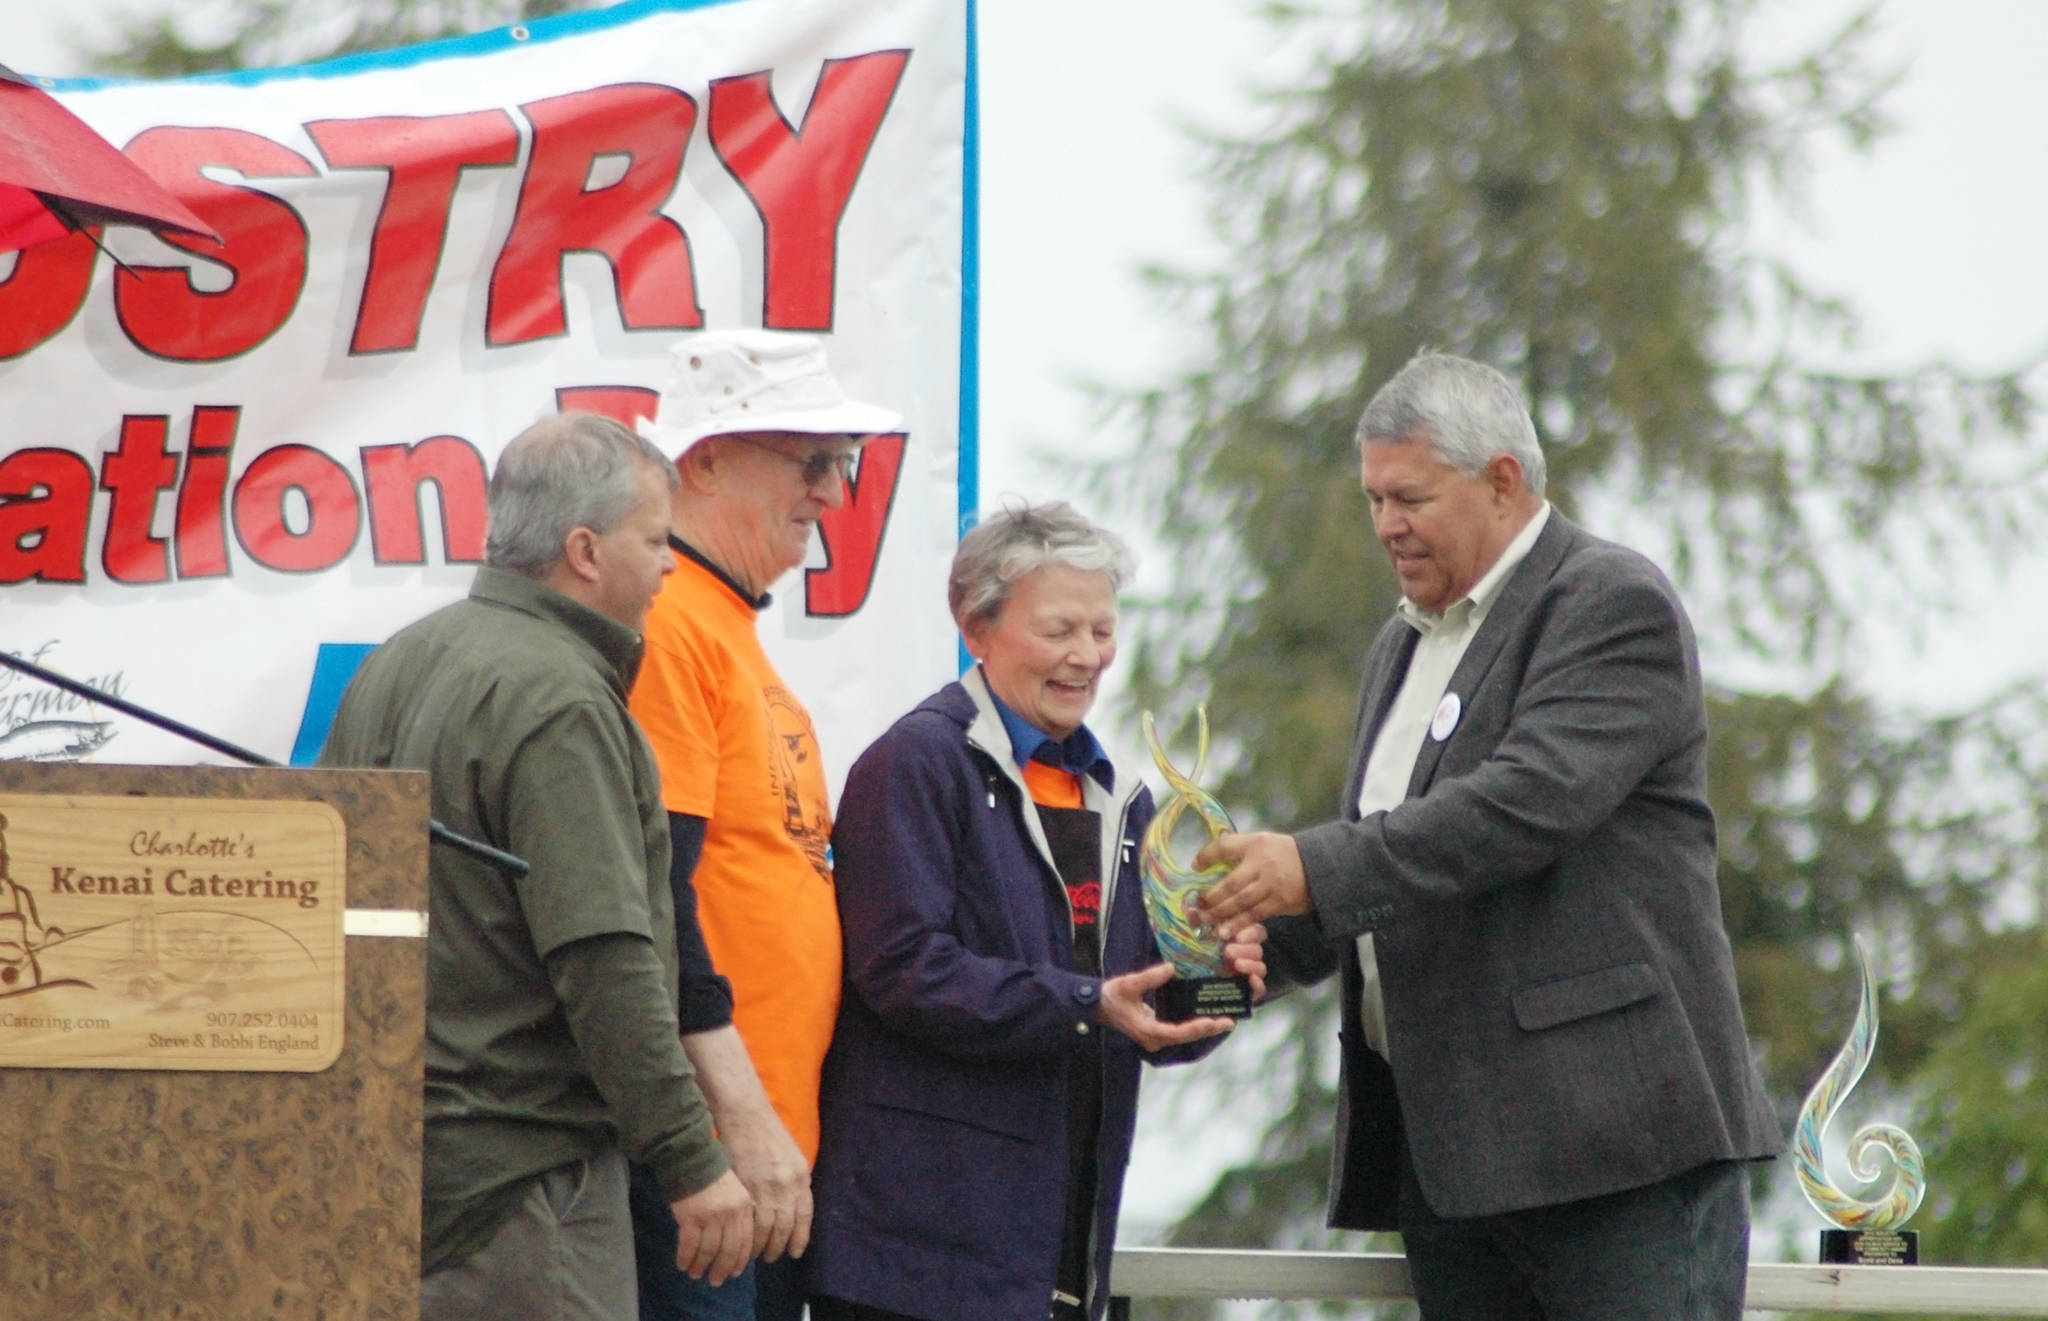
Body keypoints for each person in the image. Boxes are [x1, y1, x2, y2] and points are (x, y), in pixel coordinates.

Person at [1191, 353, 1781, 1320]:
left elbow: (1521, 807)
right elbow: (1388, 860)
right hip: (1456, 1166)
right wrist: (1259, 935)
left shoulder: (1609, 600)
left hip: (1612, 1159)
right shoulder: (1405, 640)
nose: (1386, 524)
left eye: (1410, 496)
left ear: (1504, 479)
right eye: (1374, 498)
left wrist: (1312, 865)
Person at [320, 413, 753, 1321]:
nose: (672, 563)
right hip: (525, 1195)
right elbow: (603, 957)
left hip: (386, 1176)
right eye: (655, 538)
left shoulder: (399, 660)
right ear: (585, 550)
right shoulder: (562, 699)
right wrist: (691, 1159)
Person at [804, 502, 1267, 1321]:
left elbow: (1134, 1000)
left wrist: (1217, 986)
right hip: (916, 1263)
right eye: (1060, 629)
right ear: (975, 625)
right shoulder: (915, 762)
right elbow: (904, 970)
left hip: (1057, 1259)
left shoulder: (1122, 798)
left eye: (1102, 629)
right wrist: (1090, 1003)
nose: (1086, 656)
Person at [626, 329, 904, 1321]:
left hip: (756, 1161)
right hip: (702, 1165)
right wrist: (733, 1120)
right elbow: (655, 900)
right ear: (704, 460)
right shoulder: (669, 626)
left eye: (846, 464)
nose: (835, 492)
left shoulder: (725, 628)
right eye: (813, 461)